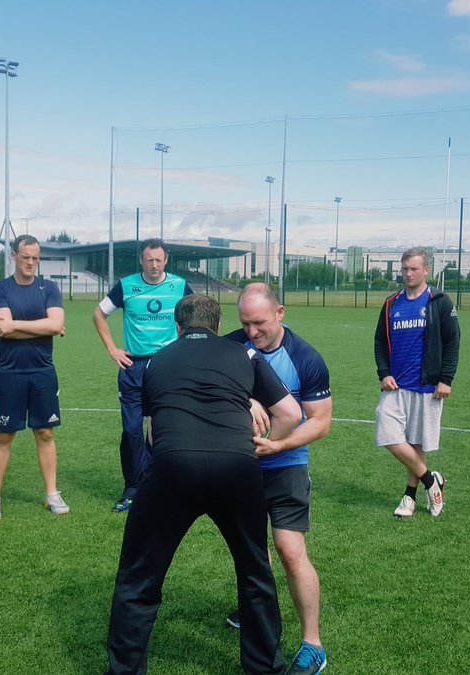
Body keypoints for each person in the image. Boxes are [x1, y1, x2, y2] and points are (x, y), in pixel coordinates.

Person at [106, 294, 301, 675]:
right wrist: (262, 447)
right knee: (254, 570)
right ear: (217, 325)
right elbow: (291, 413)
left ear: (177, 327)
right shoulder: (244, 356)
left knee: (139, 575)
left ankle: (124, 671)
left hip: (173, 467)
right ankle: (265, 668)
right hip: (236, 469)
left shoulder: (158, 360)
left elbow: (151, 432)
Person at [224, 282, 332, 674]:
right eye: (245, 323)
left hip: (286, 466)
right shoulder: (231, 347)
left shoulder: (306, 358)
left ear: (280, 313)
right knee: (254, 553)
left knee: (289, 549)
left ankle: (313, 643)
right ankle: (257, 609)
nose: (251, 332)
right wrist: (249, 398)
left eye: (260, 323)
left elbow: (321, 423)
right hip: (242, 467)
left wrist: (279, 447)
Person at [91, 238, 193, 513]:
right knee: (132, 430)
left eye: (159, 259)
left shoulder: (180, 286)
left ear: (166, 260)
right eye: (150, 259)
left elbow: (197, 317)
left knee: (165, 429)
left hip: (168, 367)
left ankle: (164, 484)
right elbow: (99, 315)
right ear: (142, 260)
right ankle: (133, 487)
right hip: (132, 367)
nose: (154, 264)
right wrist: (113, 350)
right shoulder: (126, 286)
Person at [0, 235, 67, 521]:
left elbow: (53, 324)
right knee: (4, 434)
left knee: (44, 432)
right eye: (25, 256)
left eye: (35, 257)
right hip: (10, 372)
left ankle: (52, 493)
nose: (30, 262)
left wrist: (16, 325)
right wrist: (46, 327)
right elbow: (4, 330)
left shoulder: (49, 288)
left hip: (43, 372)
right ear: (14, 256)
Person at [373, 247, 460, 518]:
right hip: (395, 386)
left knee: (417, 445)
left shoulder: (439, 301)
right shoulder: (391, 304)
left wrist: (445, 379)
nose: (408, 273)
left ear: (426, 270)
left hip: (427, 387)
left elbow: (452, 343)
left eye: (414, 269)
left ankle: (409, 498)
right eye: (405, 269)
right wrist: (384, 372)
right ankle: (431, 482)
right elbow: (379, 342)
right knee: (387, 434)